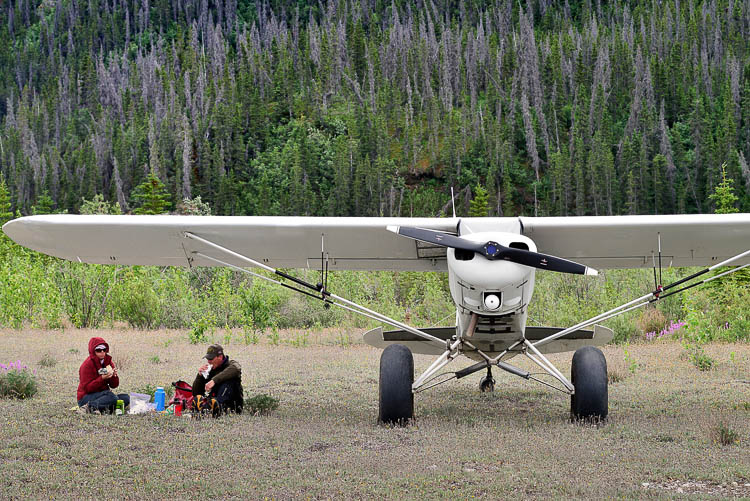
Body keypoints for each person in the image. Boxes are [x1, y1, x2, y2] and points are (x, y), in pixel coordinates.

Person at [77, 337, 129, 414]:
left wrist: (114, 376)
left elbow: (114, 386)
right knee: (111, 397)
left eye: (104, 349)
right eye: (98, 350)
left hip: (104, 395)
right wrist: (102, 378)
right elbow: (87, 389)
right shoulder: (87, 365)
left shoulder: (107, 361)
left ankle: (99, 409)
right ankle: (87, 407)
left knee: (126, 398)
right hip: (85, 397)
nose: (102, 352)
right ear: (93, 351)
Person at [192, 344, 243, 416]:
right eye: (208, 359)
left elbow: (237, 368)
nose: (209, 361)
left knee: (229, 380)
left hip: (232, 406)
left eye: (211, 359)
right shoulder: (209, 370)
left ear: (220, 357)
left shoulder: (232, 365)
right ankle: (206, 409)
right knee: (200, 399)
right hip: (213, 402)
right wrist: (200, 376)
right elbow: (196, 393)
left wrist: (214, 381)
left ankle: (216, 406)